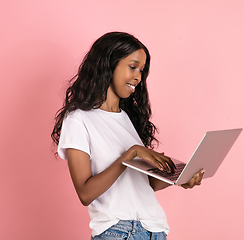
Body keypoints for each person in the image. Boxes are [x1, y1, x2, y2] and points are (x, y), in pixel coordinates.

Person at [51, 32, 205, 240]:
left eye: (142, 70)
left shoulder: (128, 119)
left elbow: (142, 184)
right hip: (120, 231)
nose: (138, 77)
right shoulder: (78, 119)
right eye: (133, 67)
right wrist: (130, 154)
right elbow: (86, 193)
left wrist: (179, 177)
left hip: (155, 229)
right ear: (108, 64)